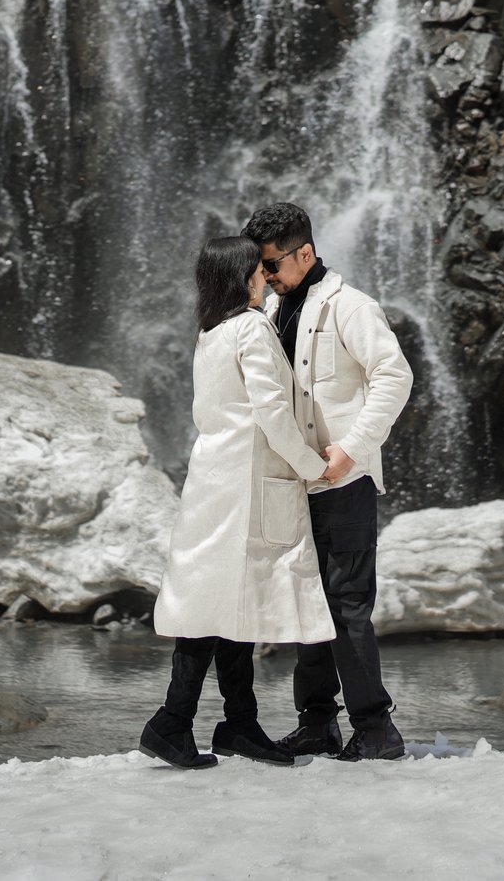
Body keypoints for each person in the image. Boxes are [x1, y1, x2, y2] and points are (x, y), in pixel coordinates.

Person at [142, 235, 334, 770]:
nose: (267, 277)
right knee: (221, 606)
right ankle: (172, 722)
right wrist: (314, 467)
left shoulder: (213, 331)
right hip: (248, 483)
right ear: (242, 277)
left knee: (227, 604)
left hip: (213, 480)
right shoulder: (250, 327)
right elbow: (273, 412)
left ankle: (238, 725)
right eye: (259, 270)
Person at [243, 201, 413, 761]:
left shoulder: (352, 306)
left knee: (346, 606)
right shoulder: (272, 311)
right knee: (305, 603)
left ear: (305, 253)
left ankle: (376, 730)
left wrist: (351, 449)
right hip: (294, 483)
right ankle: (318, 723)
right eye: (262, 267)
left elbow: (395, 375)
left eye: (271, 264)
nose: (265, 275)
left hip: (344, 482)